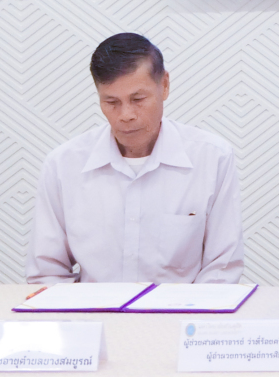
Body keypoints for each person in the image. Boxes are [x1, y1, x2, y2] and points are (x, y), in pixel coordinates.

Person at [27, 33, 243, 284]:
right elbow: (48, 273)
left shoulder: (213, 158)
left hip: (180, 309)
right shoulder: (63, 165)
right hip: (94, 308)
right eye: (111, 102)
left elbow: (221, 271)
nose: (126, 115)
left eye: (138, 99)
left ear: (164, 85)